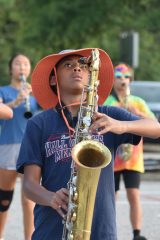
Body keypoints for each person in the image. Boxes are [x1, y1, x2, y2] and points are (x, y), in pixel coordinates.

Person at [16, 48, 160, 240]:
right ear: (53, 79)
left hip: (100, 229)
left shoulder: (108, 115)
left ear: (92, 77)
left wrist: (120, 125)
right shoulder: (38, 124)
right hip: (51, 230)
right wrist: (50, 198)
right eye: (68, 65)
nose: (77, 69)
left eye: (83, 66)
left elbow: (155, 127)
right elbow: (29, 185)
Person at [104, 63, 155, 240]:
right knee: (111, 198)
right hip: (112, 159)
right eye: (118, 77)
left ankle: (137, 233)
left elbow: (154, 125)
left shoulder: (138, 102)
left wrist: (137, 113)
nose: (122, 80)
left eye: (126, 77)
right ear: (113, 81)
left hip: (133, 159)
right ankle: (109, 231)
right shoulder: (109, 102)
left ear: (131, 81)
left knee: (134, 195)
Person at [0, 53, 40, 240]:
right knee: (4, 199)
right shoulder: (3, 91)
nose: (22, 67)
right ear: (11, 69)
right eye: (18, 64)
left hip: (30, 147)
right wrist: (17, 100)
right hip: (8, 146)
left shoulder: (35, 94)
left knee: (29, 199)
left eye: (25, 64)